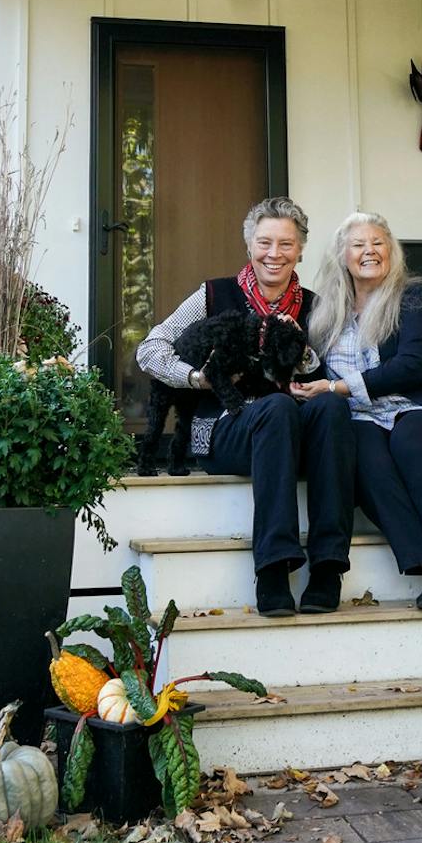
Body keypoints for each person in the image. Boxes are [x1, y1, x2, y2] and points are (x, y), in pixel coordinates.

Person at [134, 197, 355, 618]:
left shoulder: (315, 307)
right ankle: (273, 567)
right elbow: (151, 348)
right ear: (249, 245)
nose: (275, 254)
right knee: (276, 407)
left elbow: (331, 369)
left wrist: (303, 349)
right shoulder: (215, 294)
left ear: (301, 250)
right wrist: (194, 377)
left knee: (330, 408)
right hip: (226, 428)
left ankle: (328, 566)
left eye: (286, 244)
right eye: (264, 242)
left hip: (292, 431)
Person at [302, 210, 422, 610]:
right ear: (343, 256)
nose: (369, 251)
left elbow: (415, 364)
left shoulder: (413, 296)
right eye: (358, 245)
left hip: (419, 403)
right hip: (360, 414)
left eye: (378, 243)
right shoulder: (325, 311)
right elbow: (312, 366)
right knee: (368, 458)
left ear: (391, 252)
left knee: (412, 442)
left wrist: (340, 387)